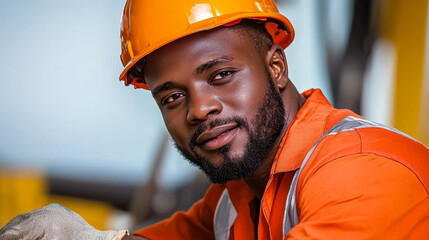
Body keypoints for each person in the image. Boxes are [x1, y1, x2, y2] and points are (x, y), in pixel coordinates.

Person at [1, 0, 428, 239]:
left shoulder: (365, 173)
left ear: (276, 66)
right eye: (172, 97)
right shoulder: (238, 195)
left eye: (221, 75)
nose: (199, 109)